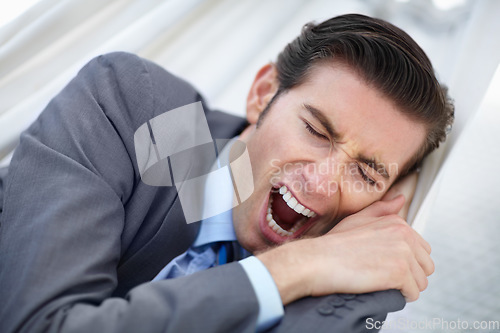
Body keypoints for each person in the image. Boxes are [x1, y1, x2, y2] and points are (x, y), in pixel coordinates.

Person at [0, 13, 453, 333]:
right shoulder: (139, 111)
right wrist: (296, 267)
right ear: (263, 94)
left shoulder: (356, 256)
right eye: (316, 130)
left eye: (367, 174)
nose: (320, 182)